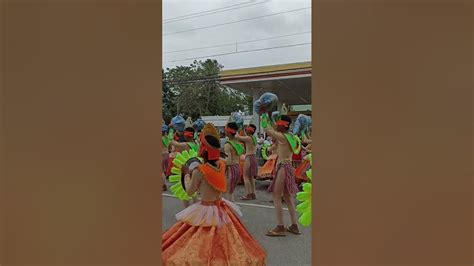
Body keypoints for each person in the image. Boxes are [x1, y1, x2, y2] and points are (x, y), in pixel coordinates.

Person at [162, 123, 266, 265]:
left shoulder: (200, 170)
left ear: (203, 150)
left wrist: (187, 175)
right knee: (225, 241)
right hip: (221, 208)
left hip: (204, 208)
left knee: (194, 243)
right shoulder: (222, 165)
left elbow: (190, 191)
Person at [261, 114, 301, 236]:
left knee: (277, 197)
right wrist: (269, 115)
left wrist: (263, 115)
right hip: (288, 167)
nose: (276, 126)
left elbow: (268, 130)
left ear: (283, 126)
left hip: (283, 167)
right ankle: (294, 226)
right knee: (288, 197)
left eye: (279, 124)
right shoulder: (290, 137)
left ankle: (280, 227)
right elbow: (274, 131)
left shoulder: (283, 137)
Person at [169, 127, 199, 207]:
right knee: (193, 191)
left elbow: (173, 142)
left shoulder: (186, 145)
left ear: (187, 136)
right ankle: (197, 211)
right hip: (195, 168)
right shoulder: (196, 143)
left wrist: (171, 130)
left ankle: (187, 213)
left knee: (184, 192)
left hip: (186, 170)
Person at [234, 124, 259, 200]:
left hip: (249, 157)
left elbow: (237, 137)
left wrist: (237, 130)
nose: (246, 130)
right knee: (251, 177)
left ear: (249, 130)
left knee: (245, 176)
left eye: (247, 129)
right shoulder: (253, 138)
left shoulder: (248, 138)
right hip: (254, 157)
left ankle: (248, 193)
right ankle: (253, 193)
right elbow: (244, 136)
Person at [223, 122, 244, 202]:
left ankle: (229, 212)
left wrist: (219, 159)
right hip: (238, 168)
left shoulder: (227, 145)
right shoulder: (238, 143)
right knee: (231, 193)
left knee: (227, 193)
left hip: (230, 170)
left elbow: (228, 162)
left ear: (228, 131)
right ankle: (233, 211)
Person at [162, 125, 171, 191]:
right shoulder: (167, 138)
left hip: (161, 155)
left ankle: (164, 184)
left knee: (161, 171)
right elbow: (170, 147)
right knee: (164, 171)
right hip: (167, 154)